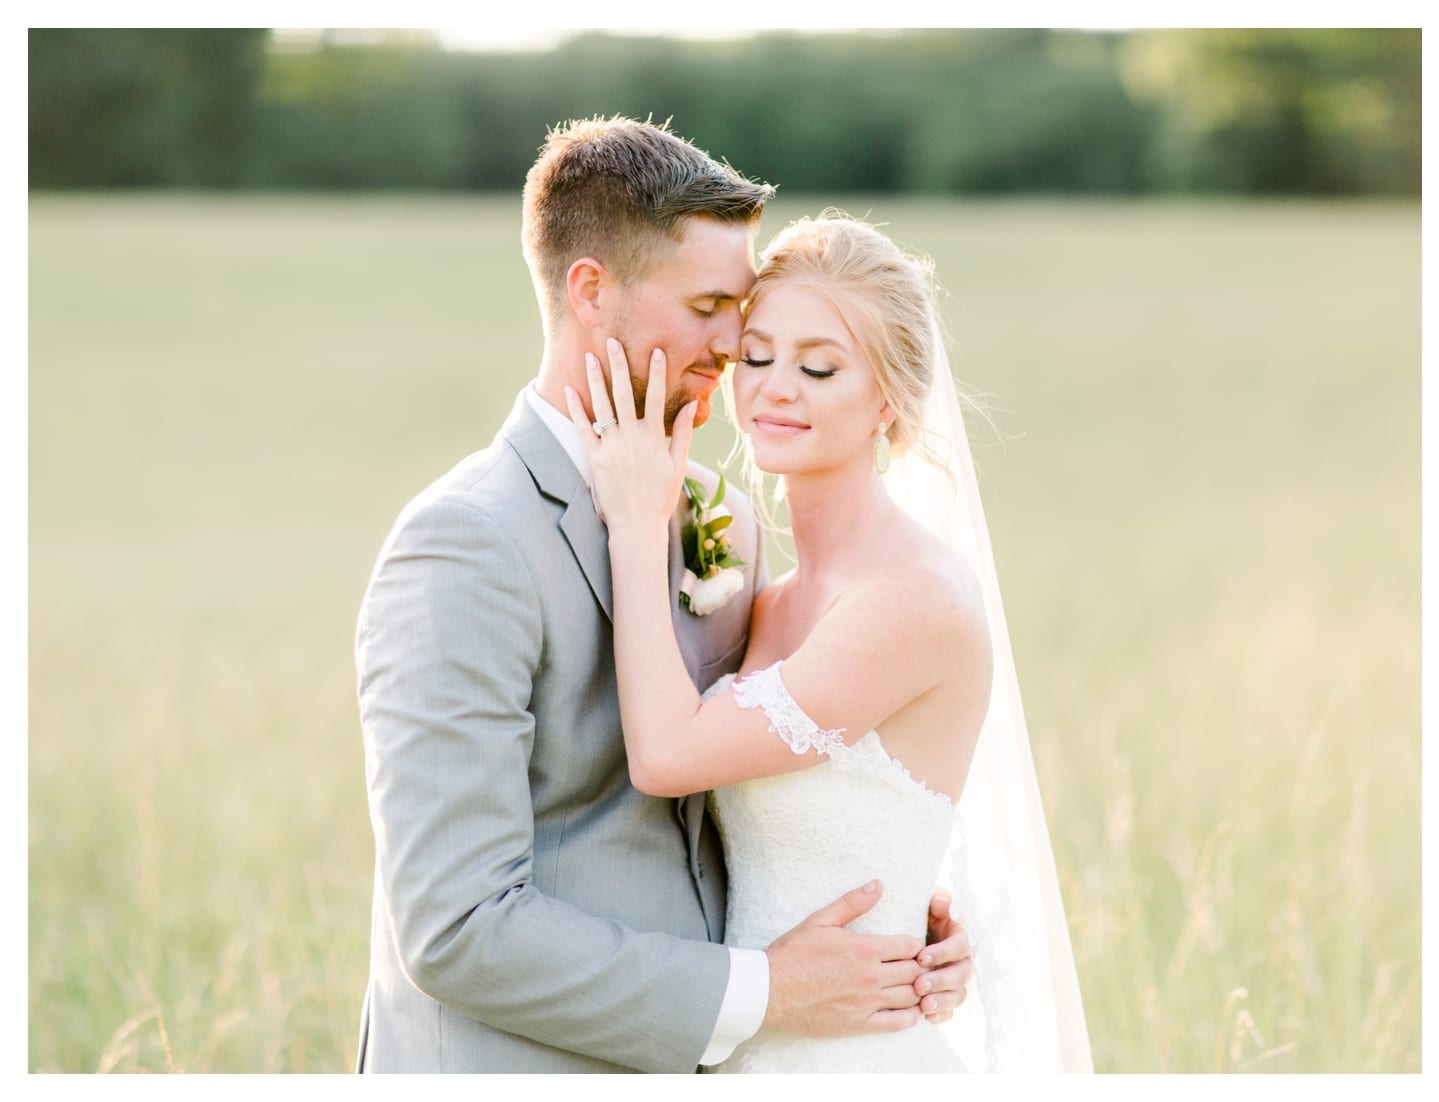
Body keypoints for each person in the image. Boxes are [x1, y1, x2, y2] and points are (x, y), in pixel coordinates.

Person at [353, 119, 974, 1073]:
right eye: (711, 306)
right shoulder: (464, 544)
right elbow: (452, 928)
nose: (734, 347)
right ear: (592, 291)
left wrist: (894, 917)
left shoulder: (724, 523)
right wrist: (771, 988)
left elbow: (761, 783)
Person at [568, 212, 1095, 1072]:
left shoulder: (914, 600)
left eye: (819, 367)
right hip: (753, 1047)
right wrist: (919, 910)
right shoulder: (768, 598)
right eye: (758, 356)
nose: (776, 387)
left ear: (888, 398)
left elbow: (666, 757)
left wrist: (636, 526)